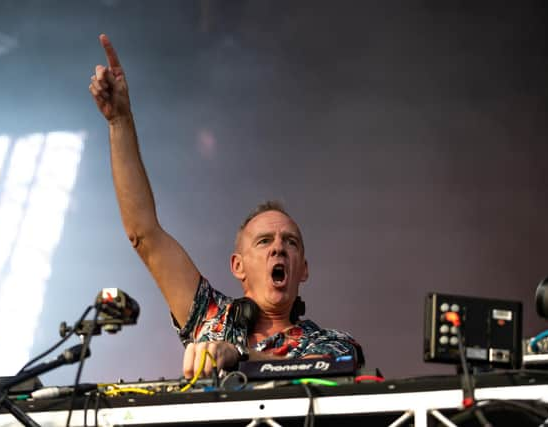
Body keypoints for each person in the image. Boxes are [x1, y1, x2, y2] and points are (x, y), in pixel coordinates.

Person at [88, 34, 363, 379]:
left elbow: (335, 373)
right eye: (264, 241)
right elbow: (143, 234)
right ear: (238, 265)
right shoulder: (210, 316)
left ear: (303, 269)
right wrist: (119, 122)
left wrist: (240, 356)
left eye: (290, 242)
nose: (278, 247)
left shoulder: (334, 345)